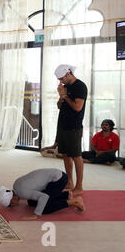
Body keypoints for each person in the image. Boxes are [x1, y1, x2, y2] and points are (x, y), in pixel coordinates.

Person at [0, 168, 85, 220]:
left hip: (58, 180)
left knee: (45, 208)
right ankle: (66, 195)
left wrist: (35, 214)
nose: (12, 206)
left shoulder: (22, 193)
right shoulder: (16, 185)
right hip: (56, 175)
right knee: (31, 202)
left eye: (10, 204)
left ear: (12, 199)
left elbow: (44, 196)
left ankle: (74, 202)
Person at [54, 64, 88, 196]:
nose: (60, 81)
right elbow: (59, 106)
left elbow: (77, 107)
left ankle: (79, 186)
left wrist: (66, 96)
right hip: (63, 124)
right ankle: (70, 182)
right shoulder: (65, 87)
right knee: (65, 154)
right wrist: (61, 96)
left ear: (68, 74)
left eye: (61, 78)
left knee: (76, 156)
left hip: (74, 126)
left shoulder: (80, 86)